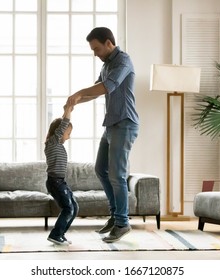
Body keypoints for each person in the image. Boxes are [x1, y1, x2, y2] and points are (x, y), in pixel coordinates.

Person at [66, 27, 139, 243]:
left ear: (109, 43)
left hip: (125, 123)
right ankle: (116, 216)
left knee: (118, 174)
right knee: (101, 170)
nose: (95, 53)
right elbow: (97, 88)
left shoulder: (123, 61)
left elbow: (108, 87)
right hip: (111, 125)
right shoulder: (107, 64)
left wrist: (79, 93)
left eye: (97, 48)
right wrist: (76, 101)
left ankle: (122, 222)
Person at [44, 104, 78, 245]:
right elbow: (64, 124)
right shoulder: (52, 143)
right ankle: (55, 234)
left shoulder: (58, 145)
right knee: (68, 208)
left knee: (74, 207)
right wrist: (67, 111)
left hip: (60, 182)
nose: (68, 137)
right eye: (67, 133)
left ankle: (60, 234)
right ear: (59, 131)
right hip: (54, 182)